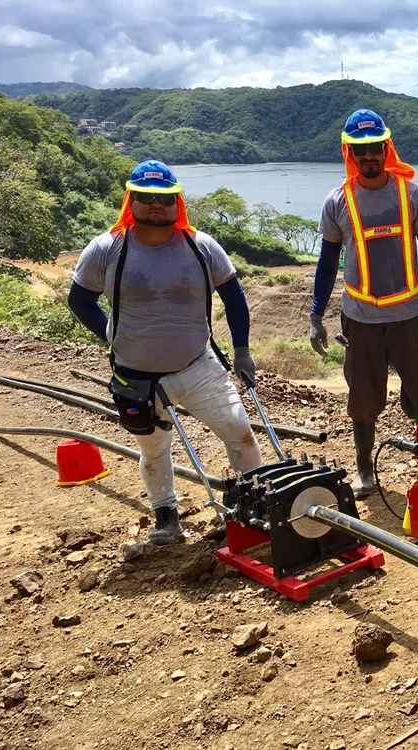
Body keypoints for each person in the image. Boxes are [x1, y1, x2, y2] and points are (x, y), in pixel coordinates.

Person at [68, 159, 262, 544]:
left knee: (240, 433)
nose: (156, 205)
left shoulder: (201, 246)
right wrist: (110, 336)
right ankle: (165, 516)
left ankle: (250, 508)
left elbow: (235, 300)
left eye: (165, 198)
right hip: (135, 376)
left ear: (177, 203)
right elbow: (80, 300)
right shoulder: (107, 249)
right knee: (154, 449)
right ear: (131, 200)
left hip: (197, 366)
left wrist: (241, 350)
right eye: (146, 197)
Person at [309, 109, 418, 497]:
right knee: (362, 400)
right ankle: (364, 471)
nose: (368, 157)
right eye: (360, 150)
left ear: (385, 149)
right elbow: (326, 262)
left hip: (410, 316)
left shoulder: (411, 194)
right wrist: (316, 315)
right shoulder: (337, 202)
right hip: (360, 318)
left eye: (374, 148)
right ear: (349, 153)